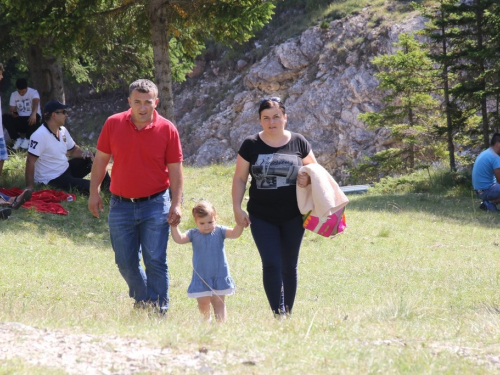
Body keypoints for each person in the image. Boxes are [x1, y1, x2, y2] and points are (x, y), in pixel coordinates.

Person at [88, 79, 183, 314]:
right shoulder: (113, 123)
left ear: (156, 102)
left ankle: (159, 310)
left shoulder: (167, 128)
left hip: (155, 204)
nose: (142, 107)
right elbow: (101, 160)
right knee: (125, 262)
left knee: (155, 260)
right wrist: (93, 192)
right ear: (129, 102)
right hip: (120, 205)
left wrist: (176, 203)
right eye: (137, 102)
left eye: (147, 102)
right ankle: (143, 301)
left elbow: (176, 170)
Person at [232, 97, 317, 318]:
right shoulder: (250, 145)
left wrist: (307, 179)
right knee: (271, 263)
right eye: (266, 118)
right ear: (260, 121)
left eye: (276, 117)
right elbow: (240, 178)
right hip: (262, 215)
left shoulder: (299, 142)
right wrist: (237, 208)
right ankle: (277, 313)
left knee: (289, 265)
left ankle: (287, 312)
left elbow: (316, 173)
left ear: (285, 118)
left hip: (294, 215)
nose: (272, 122)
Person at [170, 200, 243, 322]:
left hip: (219, 275)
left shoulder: (220, 231)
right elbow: (179, 239)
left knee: (219, 303)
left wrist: (240, 224)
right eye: (202, 223)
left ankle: (221, 327)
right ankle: (206, 322)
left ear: (216, 218)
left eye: (210, 222)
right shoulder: (193, 234)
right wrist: (174, 226)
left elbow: (235, 233)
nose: (207, 226)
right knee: (203, 303)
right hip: (201, 277)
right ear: (196, 222)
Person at [25, 100, 110, 195]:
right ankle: (102, 192)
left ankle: (110, 189)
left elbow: (73, 150)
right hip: (52, 178)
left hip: (66, 169)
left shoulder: (63, 130)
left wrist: (84, 154)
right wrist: (30, 186)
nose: (66, 115)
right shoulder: (39, 135)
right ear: (54, 115)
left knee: (96, 158)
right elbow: (30, 161)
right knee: (90, 186)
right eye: (64, 112)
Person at [2, 78, 41, 150]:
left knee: (37, 116)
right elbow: (11, 109)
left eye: (23, 92)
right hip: (20, 119)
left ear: (27, 87)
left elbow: (36, 103)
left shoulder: (33, 92)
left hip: (32, 120)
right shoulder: (13, 95)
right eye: (19, 92)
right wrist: (13, 113)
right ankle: (17, 139)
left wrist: (33, 114)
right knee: (5, 117)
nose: (21, 93)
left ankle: (27, 140)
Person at [472, 133, 500, 212]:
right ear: (497, 144)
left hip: (479, 190)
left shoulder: (486, 153)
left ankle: (487, 203)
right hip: (486, 190)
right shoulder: (495, 157)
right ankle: (489, 203)